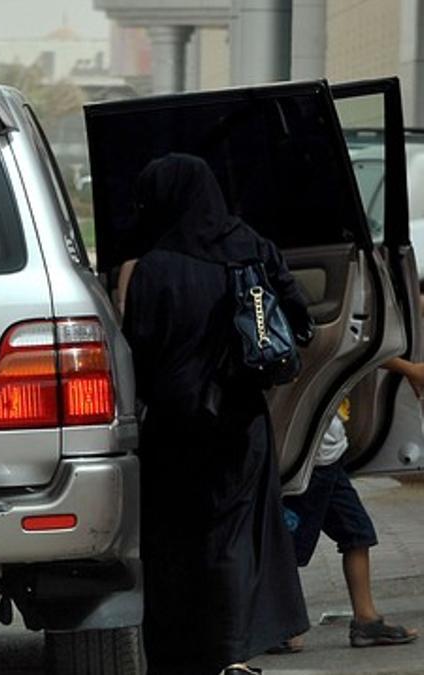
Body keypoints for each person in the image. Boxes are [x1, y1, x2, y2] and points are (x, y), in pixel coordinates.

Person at [122, 154, 312, 675]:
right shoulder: (250, 247)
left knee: (174, 541)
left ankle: (182, 654)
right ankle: (230, 655)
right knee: (231, 539)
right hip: (240, 419)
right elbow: (298, 320)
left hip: (172, 426)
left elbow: (139, 347)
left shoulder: (154, 266)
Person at [272, 377, 420, 653]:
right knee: (289, 548)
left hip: (330, 453)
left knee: (357, 533)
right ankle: (280, 625)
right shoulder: (312, 336)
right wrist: (408, 368)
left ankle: (366, 620)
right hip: (311, 460)